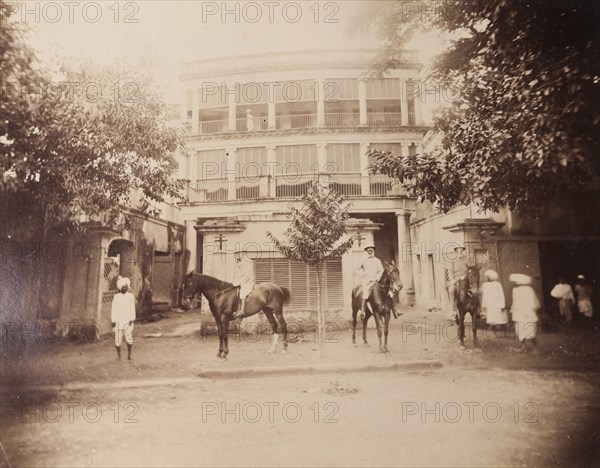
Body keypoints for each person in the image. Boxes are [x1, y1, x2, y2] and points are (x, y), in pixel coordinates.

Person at [510, 273, 540, 347]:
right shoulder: (516, 290)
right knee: (522, 330)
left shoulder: (528, 290)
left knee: (529, 330)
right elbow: (515, 302)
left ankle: (533, 346)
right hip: (521, 312)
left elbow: (533, 301)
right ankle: (524, 346)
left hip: (526, 312)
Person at [356, 245, 384, 320]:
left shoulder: (377, 260)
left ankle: (394, 310)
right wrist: (364, 275)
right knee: (365, 293)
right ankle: (363, 311)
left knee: (388, 291)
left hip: (376, 281)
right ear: (366, 250)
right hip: (367, 281)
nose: (370, 250)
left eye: (371, 249)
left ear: (373, 250)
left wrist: (377, 278)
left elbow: (381, 270)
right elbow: (356, 269)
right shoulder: (363, 260)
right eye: (368, 249)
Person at [111, 276, 136, 360]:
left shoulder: (130, 296)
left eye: (126, 287)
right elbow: (113, 309)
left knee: (129, 338)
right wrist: (113, 321)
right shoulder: (116, 297)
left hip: (127, 320)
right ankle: (119, 355)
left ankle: (129, 355)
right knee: (117, 340)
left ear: (127, 287)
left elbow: (132, 308)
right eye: (122, 287)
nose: (124, 288)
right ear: (120, 287)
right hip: (118, 320)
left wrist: (132, 319)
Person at [445, 245, 469, 322]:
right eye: (458, 248)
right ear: (456, 250)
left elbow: (470, 269)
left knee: (475, 291)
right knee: (451, 290)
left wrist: (466, 276)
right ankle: (453, 310)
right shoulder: (452, 259)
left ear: (463, 249)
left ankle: (478, 311)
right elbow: (450, 272)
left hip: (466, 279)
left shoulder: (467, 259)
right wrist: (452, 281)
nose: (460, 250)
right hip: (456, 279)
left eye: (461, 248)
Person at [232, 251, 255, 319]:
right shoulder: (239, 262)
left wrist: (239, 282)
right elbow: (238, 274)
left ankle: (242, 311)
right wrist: (235, 282)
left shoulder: (248, 262)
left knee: (242, 292)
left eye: (238, 253)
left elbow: (247, 275)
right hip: (240, 281)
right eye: (236, 253)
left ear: (243, 253)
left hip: (247, 282)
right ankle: (236, 309)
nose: (237, 255)